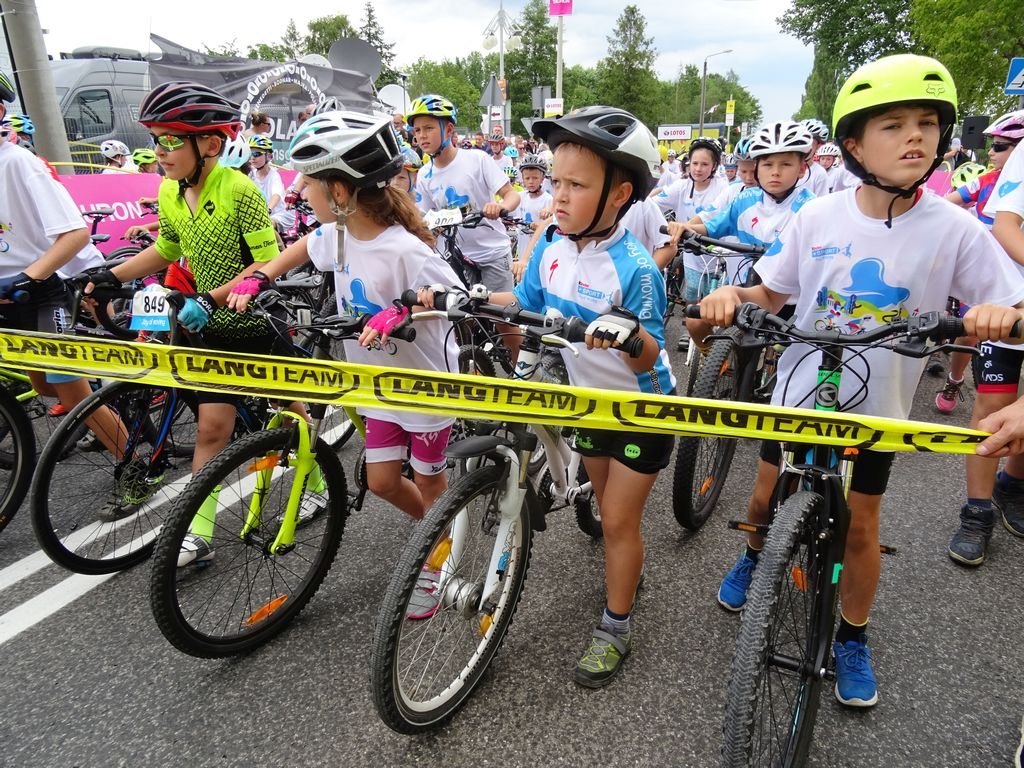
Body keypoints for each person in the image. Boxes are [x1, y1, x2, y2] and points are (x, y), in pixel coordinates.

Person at [698, 54, 1024, 708]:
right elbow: (773, 288)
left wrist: (999, 316)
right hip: (797, 391)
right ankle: (755, 558)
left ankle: (852, 635)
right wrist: (734, 296)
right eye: (893, 124)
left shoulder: (956, 229)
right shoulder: (818, 217)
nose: (915, 137)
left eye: (927, 123)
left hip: (878, 407)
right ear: (852, 144)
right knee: (762, 501)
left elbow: (1010, 309)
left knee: (861, 529)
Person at [421, 105, 674, 688]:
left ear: (619, 194)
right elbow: (523, 302)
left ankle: (616, 625)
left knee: (617, 519)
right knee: (606, 507)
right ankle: (621, 562)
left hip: (642, 408)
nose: (556, 196)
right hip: (587, 400)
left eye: (575, 185)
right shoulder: (553, 244)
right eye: (555, 181)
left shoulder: (636, 268)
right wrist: (458, 296)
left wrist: (628, 333)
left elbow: (649, 352)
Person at [227, 111, 461, 619]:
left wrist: (407, 305)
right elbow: (294, 252)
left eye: (307, 183)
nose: (298, 192)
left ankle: (438, 554)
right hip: (375, 383)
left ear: (339, 190)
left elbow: (455, 295)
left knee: (428, 481)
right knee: (380, 481)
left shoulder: (403, 249)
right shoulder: (335, 235)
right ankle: (438, 535)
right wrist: (259, 277)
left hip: (423, 385)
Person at [80, 81, 295, 566]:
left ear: (210, 144)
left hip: (256, 322)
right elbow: (168, 248)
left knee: (289, 415)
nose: (160, 151)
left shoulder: (239, 189)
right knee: (211, 431)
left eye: (172, 140)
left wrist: (211, 296)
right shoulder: (169, 191)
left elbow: (267, 263)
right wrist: (108, 275)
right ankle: (196, 535)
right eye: (157, 139)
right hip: (212, 328)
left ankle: (317, 482)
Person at [0, 70, 112, 428]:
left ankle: (139, 471)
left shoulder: (19, 162)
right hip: (7, 294)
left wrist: (27, 278)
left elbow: (76, 234)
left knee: (74, 398)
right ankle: (96, 382)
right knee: (45, 386)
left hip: (39, 291)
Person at [945, 120, 1024, 564]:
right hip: (1007, 304)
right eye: (997, 145)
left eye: (1005, 145)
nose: (999, 151)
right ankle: (977, 511)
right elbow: (1005, 225)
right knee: (994, 409)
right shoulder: (1007, 168)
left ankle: (1012, 483)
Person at [672, 120, 816, 349]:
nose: (775, 172)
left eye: (786, 164)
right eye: (768, 164)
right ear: (757, 167)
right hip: (742, 289)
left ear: (801, 169)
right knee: (695, 322)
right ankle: (714, 368)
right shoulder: (744, 200)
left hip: (791, 303)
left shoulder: (810, 208)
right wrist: (684, 228)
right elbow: (710, 227)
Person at [935, 110, 1024, 420]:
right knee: (971, 330)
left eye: (1001, 147)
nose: (993, 153)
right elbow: (943, 204)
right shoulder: (985, 181)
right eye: (993, 146)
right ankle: (954, 380)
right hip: (986, 278)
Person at [408, 94, 520, 294]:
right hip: (455, 256)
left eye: (428, 128)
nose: (421, 135)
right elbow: (423, 217)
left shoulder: (477, 159)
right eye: (417, 130)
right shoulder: (424, 174)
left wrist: (500, 207)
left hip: (491, 253)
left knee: (500, 317)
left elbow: (512, 195)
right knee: (460, 316)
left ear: (449, 130)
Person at [509, 153, 552, 261]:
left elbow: (553, 225)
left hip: (539, 253)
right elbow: (506, 206)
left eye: (535, 178)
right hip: (522, 250)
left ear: (542, 178)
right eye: (527, 178)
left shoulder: (547, 200)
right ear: (522, 178)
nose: (531, 181)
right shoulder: (520, 197)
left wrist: (542, 225)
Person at [248, 134, 294, 232]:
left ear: (269, 156)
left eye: (256, 154)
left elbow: (276, 196)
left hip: (279, 214)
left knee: (267, 224)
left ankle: (282, 247)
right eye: (250, 153)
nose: (252, 157)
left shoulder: (274, 175)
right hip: (260, 215)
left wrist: (267, 210)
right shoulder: (250, 174)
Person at [796, 118, 831, 196]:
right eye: (800, 141)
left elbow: (822, 203)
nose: (803, 146)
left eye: (809, 142)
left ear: (818, 145)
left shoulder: (820, 174)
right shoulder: (787, 167)